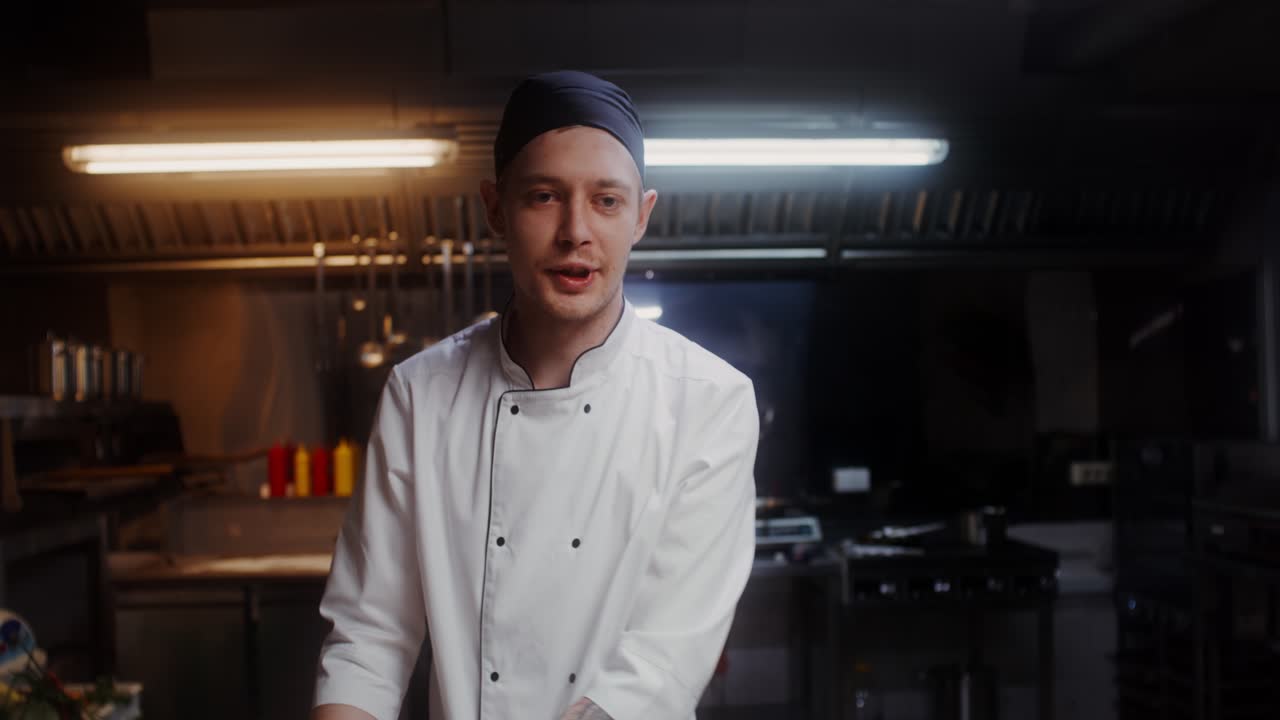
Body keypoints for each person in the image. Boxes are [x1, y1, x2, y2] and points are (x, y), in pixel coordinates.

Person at [312, 70, 759, 720]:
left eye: (606, 201)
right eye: (544, 196)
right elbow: (368, 641)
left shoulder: (709, 403)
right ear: (495, 208)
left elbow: (660, 664)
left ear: (642, 215)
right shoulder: (421, 394)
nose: (575, 231)